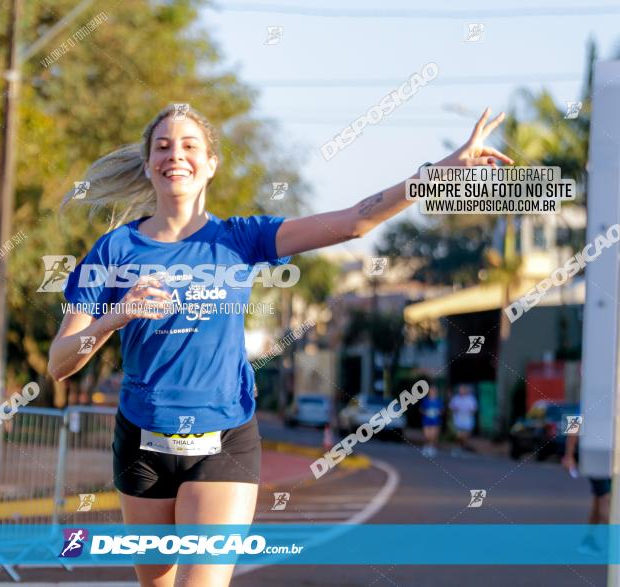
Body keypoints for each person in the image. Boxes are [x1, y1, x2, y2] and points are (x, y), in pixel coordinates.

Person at [48, 104, 510, 587]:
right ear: (147, 164)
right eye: (162, 147)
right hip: (143, 441)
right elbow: (62, 363)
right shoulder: (112, 251)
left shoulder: (240, 238)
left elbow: (353, 221)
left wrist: (437, 176)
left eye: (189, 146)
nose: (174, 156)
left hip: (223, 440)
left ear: (211, 164)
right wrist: (116, 315)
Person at [562, 432, 611, 554]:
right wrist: (568, 455)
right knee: (606, 500)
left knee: (599, 499)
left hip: (611, 457)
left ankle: (588, 540)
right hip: (596, 456)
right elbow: (574, 421)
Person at [449, 383, 478, 455]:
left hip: (467, 420)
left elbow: (474, 409)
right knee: (459, 435)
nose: (461, 391)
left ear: (466, 390)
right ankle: (458, 447)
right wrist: (456, 409)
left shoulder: (471, 398)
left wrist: (470, 411)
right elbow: (451, 407)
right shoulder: (456, 398)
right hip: (458, 420)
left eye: (462, 390)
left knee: (465, 436)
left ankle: (462, 447)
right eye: (460, 390)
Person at [420, 385, 443, 458]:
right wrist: (426, 412)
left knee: (433, 436)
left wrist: (438, 412)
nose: (432, 392)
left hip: (435, 421)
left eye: (434, 391)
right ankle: (426, 446)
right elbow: (421, 409)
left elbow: (442, 410)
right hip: (426, 420)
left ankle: (431, 448)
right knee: (427, 436)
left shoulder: (438, 401)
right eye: (431, 391)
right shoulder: (426, 400)